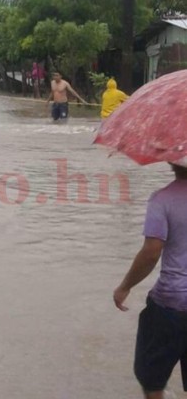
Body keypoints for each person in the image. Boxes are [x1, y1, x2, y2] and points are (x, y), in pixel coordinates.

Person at [114, 162, 187, 399]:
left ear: (171, 160)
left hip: (172, 305)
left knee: (152, 379)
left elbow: (151, 251)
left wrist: (125, 286)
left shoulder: (163, 199)